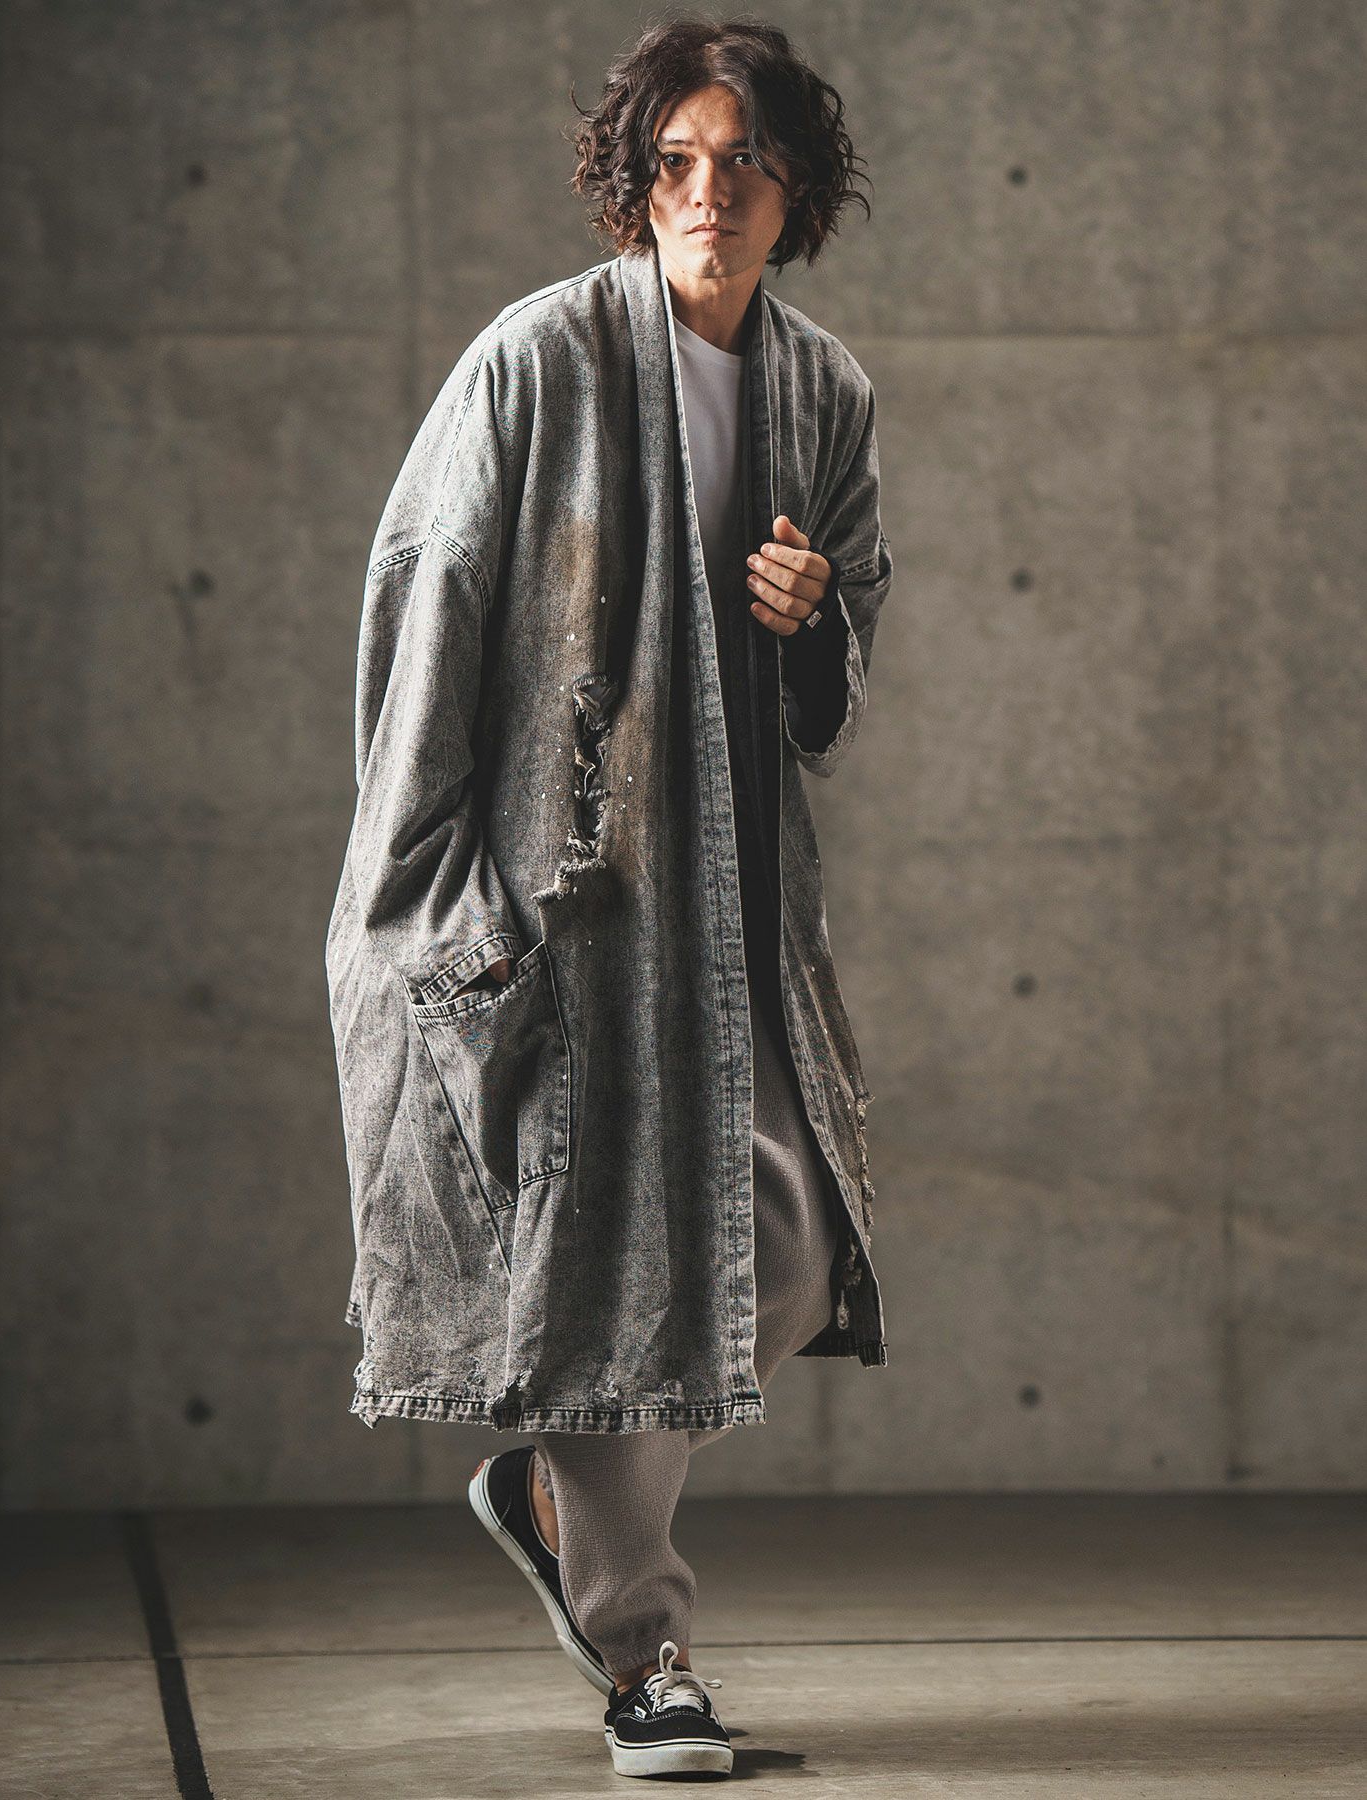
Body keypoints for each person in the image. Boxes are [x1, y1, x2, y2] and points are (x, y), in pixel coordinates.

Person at [324, 15, 894, 1780]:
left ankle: (555, 1499)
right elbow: (424, 622)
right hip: (564, 905)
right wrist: (429, 906)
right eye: (677, 163)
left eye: (746, 162)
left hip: (733, 920)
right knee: (606, 1270)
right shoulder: (536, 365)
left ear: (796, 191)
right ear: (635, 183)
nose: (709, 193)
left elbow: (836, 689)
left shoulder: (823, 393)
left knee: (789, 1247)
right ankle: (647, 1658)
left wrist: (812, 623)